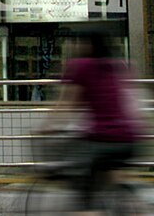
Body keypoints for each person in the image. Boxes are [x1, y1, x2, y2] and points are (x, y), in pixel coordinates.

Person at [49, 31, 143, 215]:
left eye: (79, 42)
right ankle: (127, 199)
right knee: (109, 172)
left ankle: (89, 210)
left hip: (102, 141)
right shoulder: (117, 65)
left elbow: (67, 104)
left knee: (84, 183)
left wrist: (49, 126)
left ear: (88, 45)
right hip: (130, 139)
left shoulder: (82, 66)